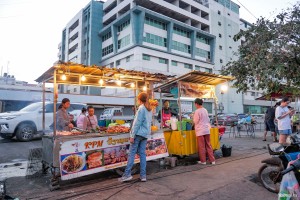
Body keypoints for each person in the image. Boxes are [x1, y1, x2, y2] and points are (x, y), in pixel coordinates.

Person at [119, 92, 152, 182]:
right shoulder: (149, 109)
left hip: (138, 134)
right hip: (145, 134)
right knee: (142, 154)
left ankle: (127, 174)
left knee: (132, 154)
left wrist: (132, 135)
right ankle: (143, 176)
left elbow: (137, 123)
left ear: (139, 100)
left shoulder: (141, 108)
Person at [193, 98, 215, 165]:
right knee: (208, 145)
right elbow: (208, 119)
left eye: (195, 104)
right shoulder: (205, 110)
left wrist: (192, 118)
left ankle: (203, 161)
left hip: (200, 131)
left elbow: (195, 121)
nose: (195, 105)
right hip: (206, 130)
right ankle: (212, 160)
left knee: (202, 146)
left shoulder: (197, 111)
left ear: (196, 104)